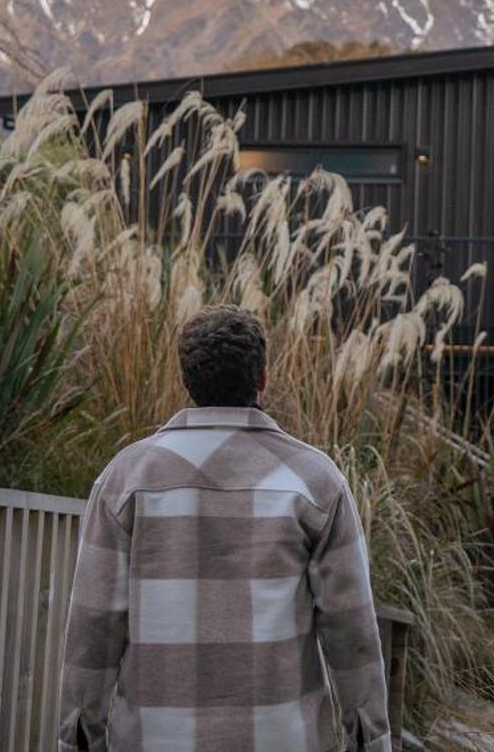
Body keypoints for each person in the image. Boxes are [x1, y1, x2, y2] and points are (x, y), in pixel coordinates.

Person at [58, 305, 390, 752]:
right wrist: (370, 740)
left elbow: (93, 630)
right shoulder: (315, 482)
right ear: (262, 379)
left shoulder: (126, 480)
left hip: (156, 739)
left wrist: (79, 739)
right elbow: (353, 634)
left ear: (186, 382)